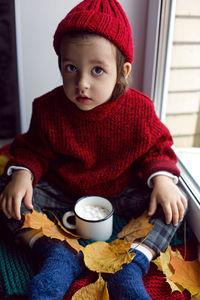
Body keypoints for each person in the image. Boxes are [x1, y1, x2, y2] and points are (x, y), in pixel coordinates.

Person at [0, 0, 187, 299]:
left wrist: (162, 180)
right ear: (60, 64)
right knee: (7, 192)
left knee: (174, 206)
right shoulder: (48, 108)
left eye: (97, 70)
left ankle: (133, 262)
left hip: (120, 193)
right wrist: (23, 174)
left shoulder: (139, 109)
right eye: (71, 68)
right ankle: (56, 253)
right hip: (64, 192)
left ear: (122, 71)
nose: (82, 83)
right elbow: (33, 149)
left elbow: (158, 148)